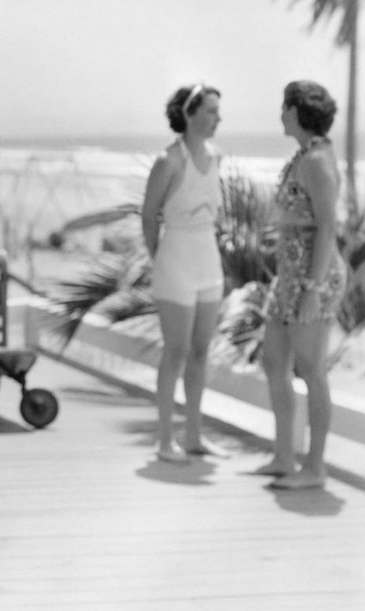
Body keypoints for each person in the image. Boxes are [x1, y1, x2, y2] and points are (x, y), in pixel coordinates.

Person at [257, 81, 350, 490]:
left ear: (296, 111)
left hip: (313, 277)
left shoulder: (316, 160)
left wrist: (312, 287)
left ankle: (314, 467)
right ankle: (283, 456)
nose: (280, 114)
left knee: (312, 369)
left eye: (284, 107)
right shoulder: (304, 155)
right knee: (274, 361)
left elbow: (328, 226)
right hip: (291, 276)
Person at [140, 83, 229, 464]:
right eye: (210, 111)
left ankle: (194, 435)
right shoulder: (169, 161)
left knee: (201, 351)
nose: (217, 118)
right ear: (189, 114)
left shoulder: (216, 157)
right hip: (175, 260)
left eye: (217, 111)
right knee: (175, 352)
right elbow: (148, 216)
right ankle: (165, 440)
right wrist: (160, 258)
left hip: (208, 261)